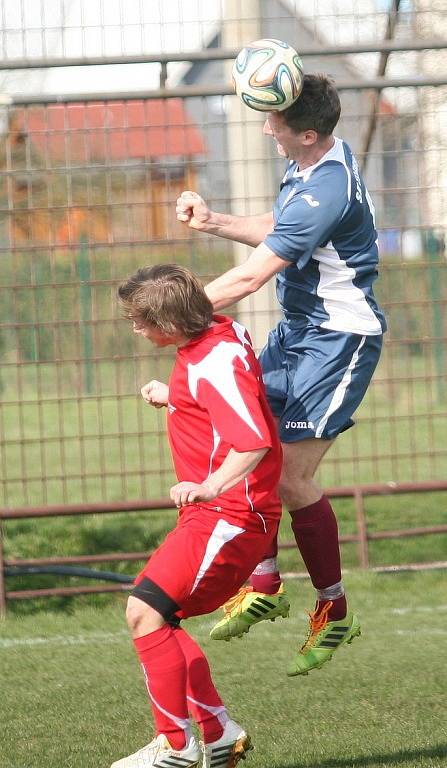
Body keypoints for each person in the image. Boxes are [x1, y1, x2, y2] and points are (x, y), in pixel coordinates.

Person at [176, 73, 387, 677]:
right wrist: (216, 222)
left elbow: (248, 279)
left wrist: (176, 313)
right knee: (246, 443)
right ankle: (265, 583)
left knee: (291, 478)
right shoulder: (311, 163)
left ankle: (333, 609)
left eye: (276, 121)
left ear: (308, 133)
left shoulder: (327, 187)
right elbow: (283, 224)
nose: (267, 127)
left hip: (338, 339)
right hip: (298, 332)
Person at [113, 264, 282, 768]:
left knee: (144, 614)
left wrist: (208, 485)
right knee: (161, 617)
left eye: (140, 320)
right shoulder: (217, 335)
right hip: (216, 516)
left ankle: (177, 748)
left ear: (168, 322)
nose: (135, 329)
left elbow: (253, 440)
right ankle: (218, 734)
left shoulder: (211, 362)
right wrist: (178, 398)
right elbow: (226, 396)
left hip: (229, 515)